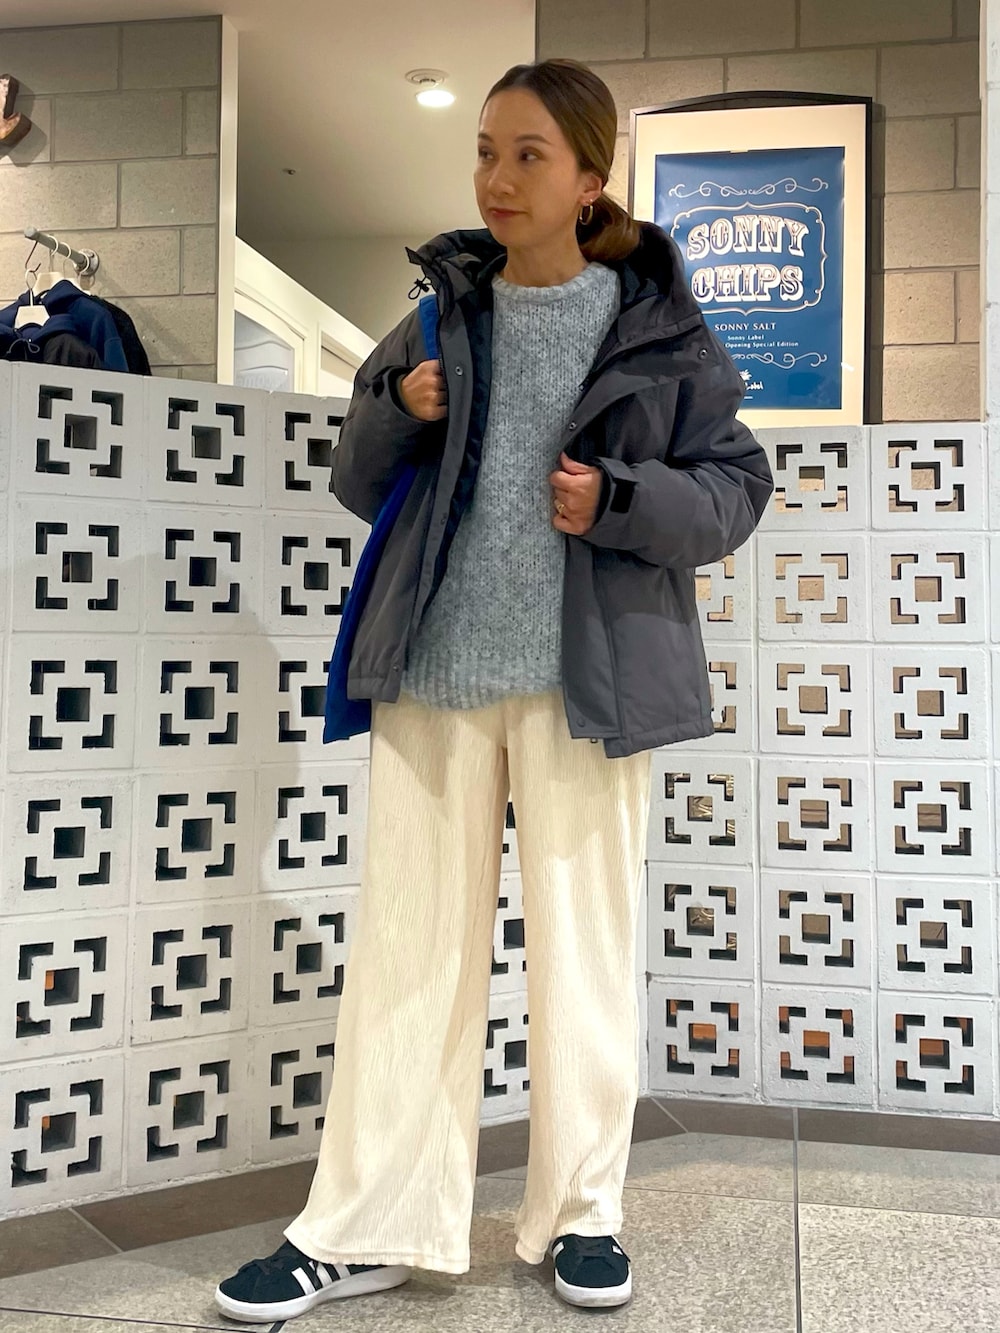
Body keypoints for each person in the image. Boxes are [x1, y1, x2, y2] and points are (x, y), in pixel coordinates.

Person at [215, 57, 772, 1324]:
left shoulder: (658, 327)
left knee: (584, 958)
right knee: (408, 954)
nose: (497, 178)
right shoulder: (438, 314)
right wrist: (396, 408)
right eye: (483, 150)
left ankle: (581, 1216)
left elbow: (734, 490)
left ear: (588, 180)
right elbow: (359, 478)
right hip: (433, 671)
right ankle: (363, 1225)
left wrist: (618, 499)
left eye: (528, 155)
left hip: (590, 682)